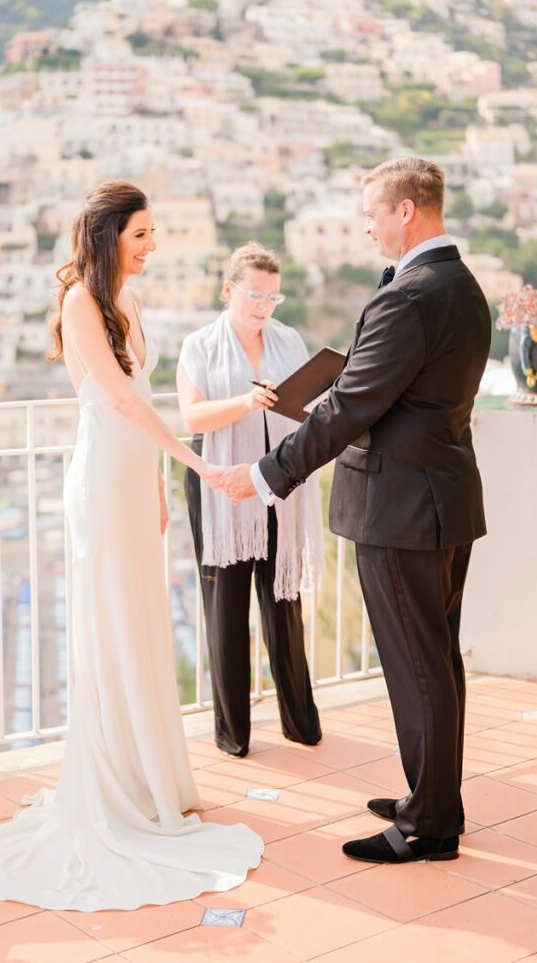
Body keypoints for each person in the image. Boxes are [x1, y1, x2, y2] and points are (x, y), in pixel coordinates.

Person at [0, 181, 263, 911]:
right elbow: (121, 400)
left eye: (153, 234)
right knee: (113, 622)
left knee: (143, 620)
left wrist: (156, 477)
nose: (152, 247)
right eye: (141, 236)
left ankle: (151, 776)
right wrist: (194, 464)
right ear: (108, 237)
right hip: (99, 477)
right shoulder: (81, 303)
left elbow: (139, 405)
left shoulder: (130, 300)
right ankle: (116, 783)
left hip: (132, 474)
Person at [219, 158, 492, 865]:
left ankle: (429, 825)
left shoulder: (409, 297)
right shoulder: (460, 287)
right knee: (436, 662)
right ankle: (431, 798)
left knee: (418, 667)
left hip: (399, 508)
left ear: (406, 210)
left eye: (372, 211)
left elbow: (347, 410)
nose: (365, 225)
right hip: (443, 498)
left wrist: (266, 474)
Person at [177, 242, 324, 758]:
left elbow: (310, 409)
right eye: (253, 295)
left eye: (271, 296)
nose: (263, 306)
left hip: (278, 479)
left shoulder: (290, 340)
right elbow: (191, 418)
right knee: (227, 607)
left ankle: (300, 722)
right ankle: (232, 733)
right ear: (229, 290)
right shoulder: (199, 345)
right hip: (219, 481)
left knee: (284, 603)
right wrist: (244, 402)